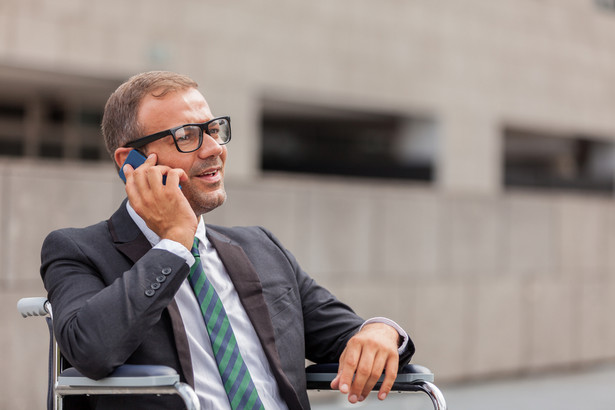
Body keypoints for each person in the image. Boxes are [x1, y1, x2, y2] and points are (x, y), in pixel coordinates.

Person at [40, 71, 415, 410]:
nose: (213, 149)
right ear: (132, 162)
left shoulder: (260, 247)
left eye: (213, 130)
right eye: (186, 136)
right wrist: (174, 244)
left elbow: (345, 333)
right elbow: (90, 350)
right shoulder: (78, 251)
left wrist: (380, 331)